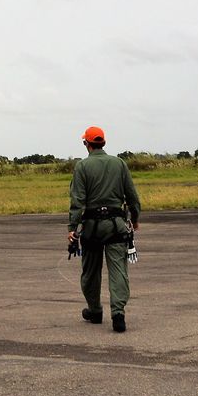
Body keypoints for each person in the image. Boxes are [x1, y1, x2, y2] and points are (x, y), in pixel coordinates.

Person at [68, 126, 141, 333]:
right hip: (116, 226)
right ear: (104, 143)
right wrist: (135, 218)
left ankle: (95, 310)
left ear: (86, 144)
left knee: (90, 271)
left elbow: (77, 201)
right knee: (118, 270)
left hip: (91, 227)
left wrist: (72, 227)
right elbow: (132, 196)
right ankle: (118, 314)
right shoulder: (119, 164)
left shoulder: (82, 167)